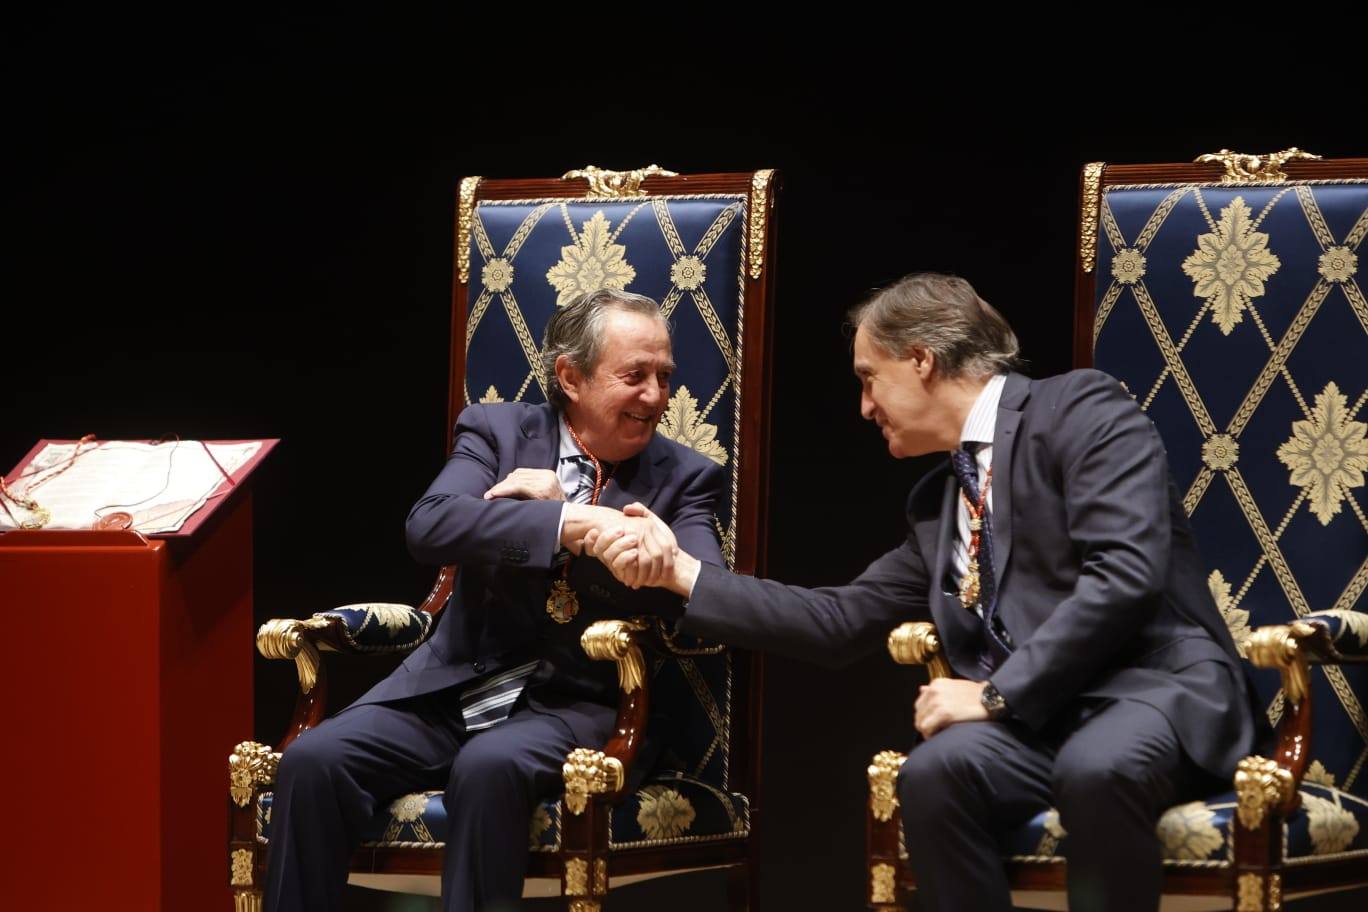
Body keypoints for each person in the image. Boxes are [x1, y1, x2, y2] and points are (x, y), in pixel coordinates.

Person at [586, 272, 1259, 912]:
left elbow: (1124, 576)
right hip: (1043, 722)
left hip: (1151, 693)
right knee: (936, 773)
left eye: (868, 378)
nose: (864, 406)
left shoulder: (1081, 410)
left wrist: (997, 694)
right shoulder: (941, 503)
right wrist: (678, 570)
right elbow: (835, 621)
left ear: (921, 359)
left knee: (1096, 767)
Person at [266, 288, 726, 912]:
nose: (656, 396)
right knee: (314, 760)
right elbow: (430, 526)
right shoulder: (498, 431)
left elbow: (704, 589)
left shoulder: (687, 476)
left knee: (488, 767)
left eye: (664, 376)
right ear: (570, 376)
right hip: (451, 688)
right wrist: (559, 526)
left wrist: (585, 518)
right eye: (634, 376)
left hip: (582, 705)